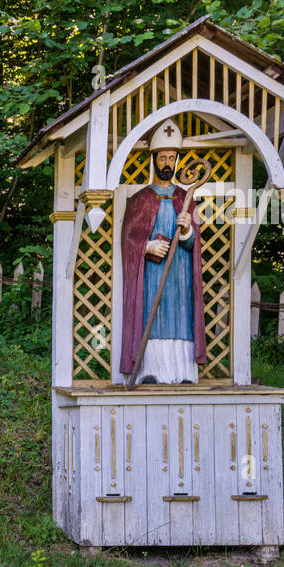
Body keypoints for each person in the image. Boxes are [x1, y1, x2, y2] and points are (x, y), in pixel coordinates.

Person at [118, 119, 207, 384]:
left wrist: (188, 230)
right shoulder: (140, 198)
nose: (167, 163)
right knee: (152, 317)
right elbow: (128, 240)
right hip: (152, 274)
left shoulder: (185, 199)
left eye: (171, 157)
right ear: (154, 160)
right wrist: (147, 246)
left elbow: (195, 243)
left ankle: (183, 373)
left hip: (180, 274)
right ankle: (150, 371)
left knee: (181, 317)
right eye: (162, 157)